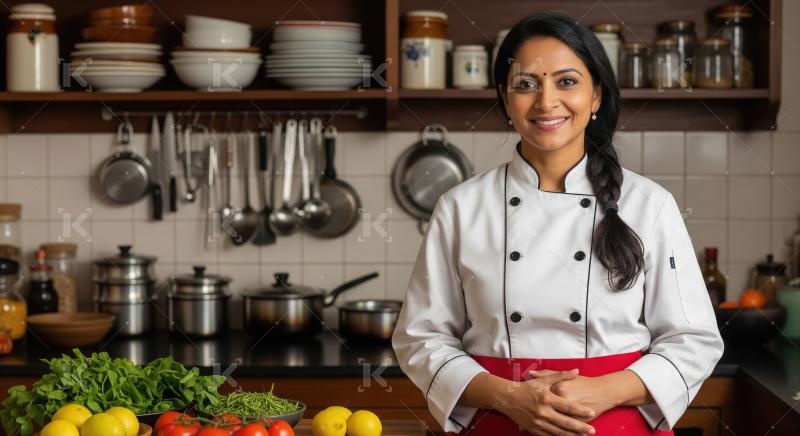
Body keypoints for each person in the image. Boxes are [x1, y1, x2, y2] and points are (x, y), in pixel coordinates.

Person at [392, 12, 724, 436]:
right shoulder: (460, 207)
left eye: (567, 82)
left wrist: (604, 391)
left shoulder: (650, 205)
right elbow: (421, 338)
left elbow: (694, 340)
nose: (546, 102)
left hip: (615, 423)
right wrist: (510, 398)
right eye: (526, 84)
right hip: (500, 422)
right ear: (505, 97)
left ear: (597, 95)